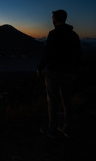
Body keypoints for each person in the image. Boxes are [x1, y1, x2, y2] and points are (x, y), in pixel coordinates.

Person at [37, 9, 81, 138]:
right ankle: (68, 127)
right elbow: (78, 55)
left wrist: (40, 67)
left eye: (53, 17)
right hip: (68, 72)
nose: (52, 19)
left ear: (56, 19)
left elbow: (48, 52)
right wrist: (76, 71)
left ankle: (52, 130)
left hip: (53, 72)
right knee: (67, 100)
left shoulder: (53, 34)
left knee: (53, 101)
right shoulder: (74, 35)